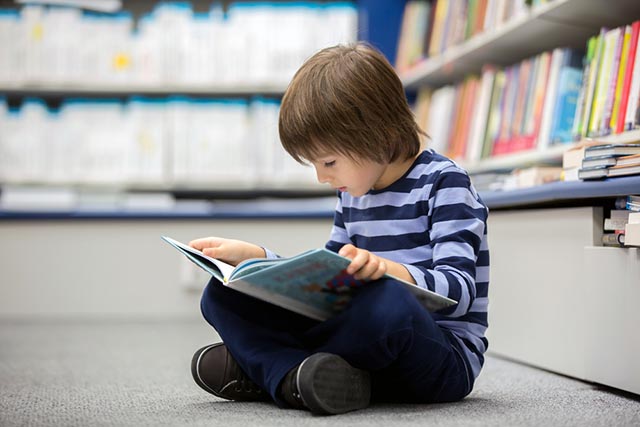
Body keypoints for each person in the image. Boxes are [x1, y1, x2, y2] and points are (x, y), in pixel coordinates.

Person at [189, 42, 489, 415]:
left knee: (386, 304)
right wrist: (258, 261)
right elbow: (323, 284)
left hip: (440, 357)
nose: (321, 177)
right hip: (366, 344)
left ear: (378, 132)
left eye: (329, 161)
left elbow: (459, 290)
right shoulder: (352, 192)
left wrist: (388, 273)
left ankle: (270, 368)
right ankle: (298, 377)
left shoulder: (446, 183)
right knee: (221, 294)